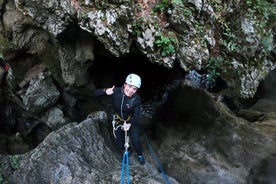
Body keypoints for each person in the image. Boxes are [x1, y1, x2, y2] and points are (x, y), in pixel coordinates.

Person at [92, 73, 145, 165]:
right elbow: (94, 94)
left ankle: (140, 155)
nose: (131, 90)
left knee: (135, 140)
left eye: (134, 89)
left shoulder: (136, 99)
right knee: (119, 142)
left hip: (130, 120)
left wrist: (130, 124)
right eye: (130, 86)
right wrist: (105, 91)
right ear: (125, 84)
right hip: (118, 119)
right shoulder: (116, 92)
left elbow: (137, 115)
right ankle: (127, 151)